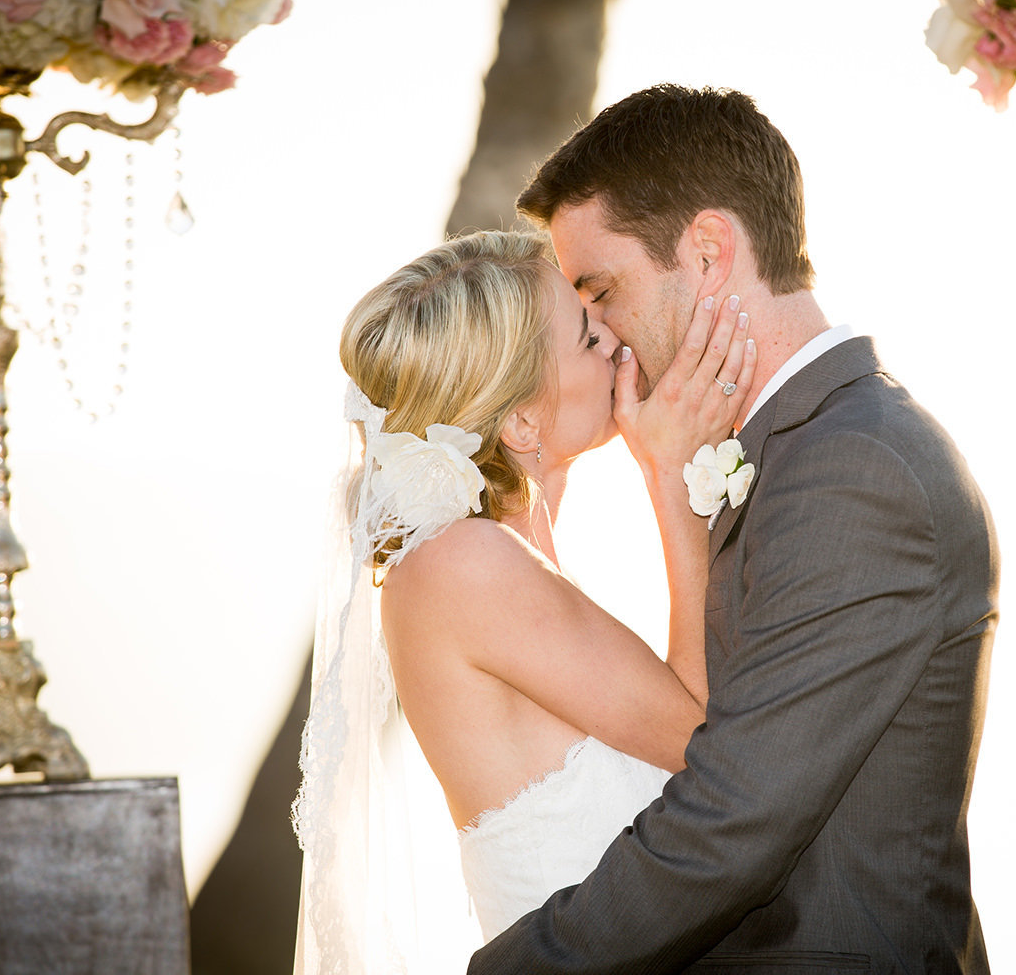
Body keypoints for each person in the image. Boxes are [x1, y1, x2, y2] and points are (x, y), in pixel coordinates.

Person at [469, 84, 999, 974]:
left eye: (602, 291)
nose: (598, 334)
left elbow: (736, 817)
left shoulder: (856, 467)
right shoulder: (800, 449)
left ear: (709, 250)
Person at [291, 229, 758, 972]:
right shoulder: (461, 565)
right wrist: (669, 473)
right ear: (520, 423)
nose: (613, 338)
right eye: (585, 334)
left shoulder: (490, 557)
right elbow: (711, 740)